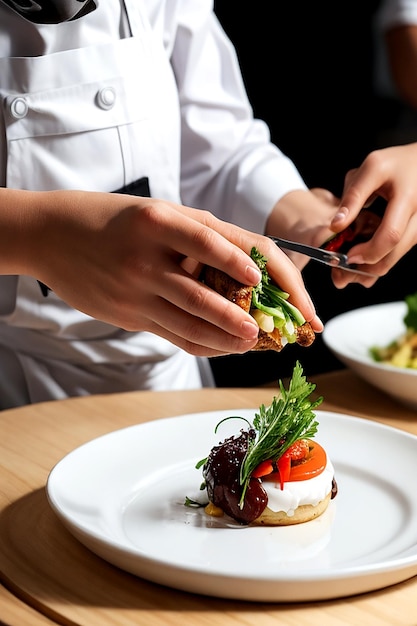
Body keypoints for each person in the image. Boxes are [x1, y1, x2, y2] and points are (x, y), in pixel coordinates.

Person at [0, 0, 391, 408]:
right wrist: (40, 238)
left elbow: (218, 146)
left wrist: (312, 221)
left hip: (176, 383)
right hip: (16, 388)